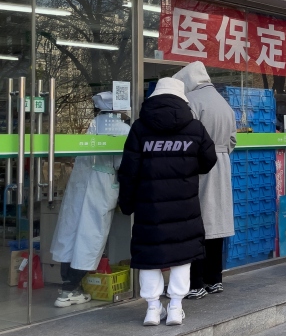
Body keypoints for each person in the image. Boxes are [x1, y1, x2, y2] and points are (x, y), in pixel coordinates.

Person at [118, 78, 217, 326]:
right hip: (184, 205)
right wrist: (188, 167)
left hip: (149, 206)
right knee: (182, 254)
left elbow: (128, 171)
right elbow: (209, 159)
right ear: (182, 98)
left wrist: (126, 204)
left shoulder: (140, 128)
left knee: (149, 255)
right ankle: (175, 307)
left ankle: (152, 309)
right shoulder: (194, 127)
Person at [51, 92, 130, 308]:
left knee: (71, 234)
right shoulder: (123, 130)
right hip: (100, 188)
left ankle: (69, 285)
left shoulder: (92, 124)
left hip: (80, 185)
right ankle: (70, 290)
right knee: (91, 236)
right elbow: (122, 164)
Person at [173, 62, 237, 299]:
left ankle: (196, 282)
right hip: (222, 164)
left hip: (200, 167)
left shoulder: (191, 101)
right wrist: (221, 154)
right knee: (216, 223)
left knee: (197, 223)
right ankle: (215, 278)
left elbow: (187, 138)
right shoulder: (223, 103)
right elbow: (232, 141)